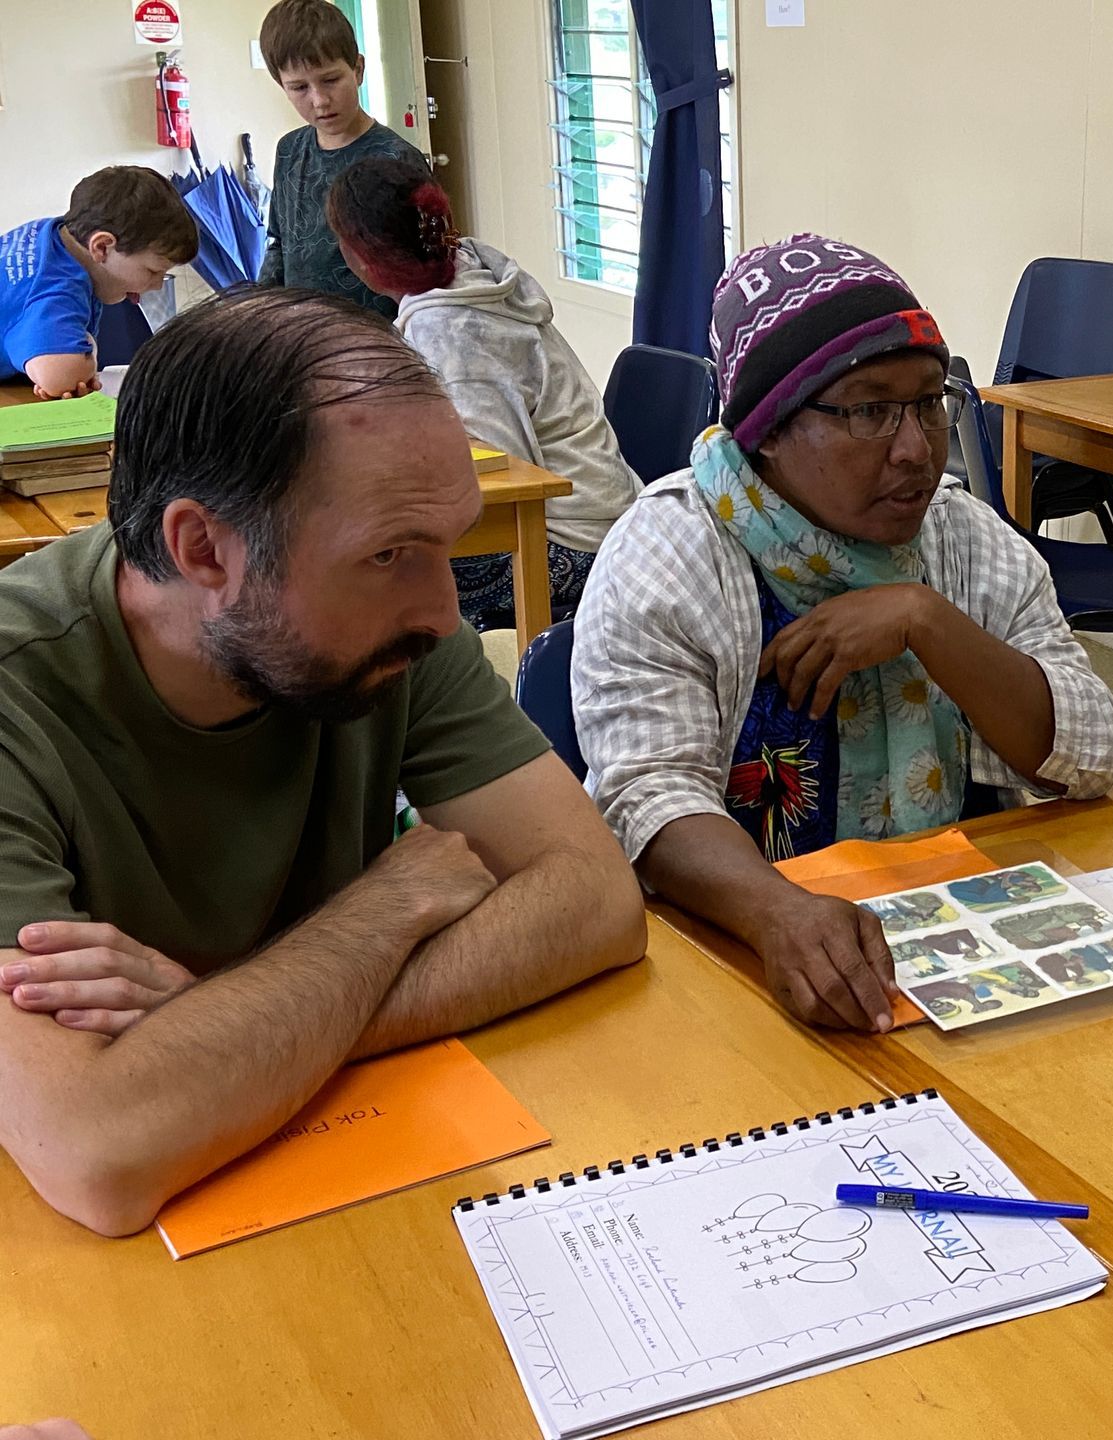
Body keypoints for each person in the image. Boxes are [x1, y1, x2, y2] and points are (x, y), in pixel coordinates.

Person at [0, 288, 648, 1237]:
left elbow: (596, 901)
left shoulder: (393, 634)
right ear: (203, 548)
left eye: (445, 542)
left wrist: (223, 1030)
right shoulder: (19, 696)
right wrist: (393, 903)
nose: (442, 609)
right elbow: (96, 1154)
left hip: (356, 1194)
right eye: (390, 555)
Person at [573, 234, 1113, 1032]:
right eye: (870, 410)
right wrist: (779, 914)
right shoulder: (672, 551)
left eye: (929, 403)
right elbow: (646, 796)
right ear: (767, 428)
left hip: (960, 941)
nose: (915, 449)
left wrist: (925, 619)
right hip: (744, 953)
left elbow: (1095, 751)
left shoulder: (960, 539)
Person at [325, 156, 639, 629]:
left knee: (374, 567)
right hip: (603, 511)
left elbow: (493, 481)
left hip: (578, 542)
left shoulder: (451, 329)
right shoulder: (470, 265)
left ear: (360, 261)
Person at [257, 0, 428, 316]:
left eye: (330, 80)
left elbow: (427, 267)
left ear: (358, 70)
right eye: (299, 88)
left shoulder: (398, 159)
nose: (319, 100)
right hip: (302, 333)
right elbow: (278, 244)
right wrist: (261, 313)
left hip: (377, 339)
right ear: (281, 85)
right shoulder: (289, 151)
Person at [0, 167, 196, 398]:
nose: (157, 286)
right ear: (102, 246)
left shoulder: (52, 234)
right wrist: (88, 344)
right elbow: (62, 377)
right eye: (152, 271)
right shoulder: (56, 288)